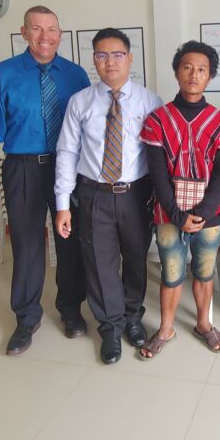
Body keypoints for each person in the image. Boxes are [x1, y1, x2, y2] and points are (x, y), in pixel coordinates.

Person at [0, 5, 90, 356]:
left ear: (60, 34)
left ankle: (71, 309)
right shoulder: (4, 74)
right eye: (36, 29)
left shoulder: (76, 75)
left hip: (68, 167)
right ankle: (26, 317)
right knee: (26, 243)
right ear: (24, 33)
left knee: (70, 240)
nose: (44, 36)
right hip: (22, 168)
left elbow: (90, 126)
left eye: (51, 29)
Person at [54, 27, 162, 364]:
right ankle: (110, 327)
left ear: (130, 58)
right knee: (100, 263)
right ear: (94, 60)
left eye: (117, 55)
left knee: (136, 259)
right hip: (93, 194)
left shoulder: (150, 101)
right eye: (102, 55)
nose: (110, 62)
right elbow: (67, 153)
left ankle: (132, 317)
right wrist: (62, 205)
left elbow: (159, 155)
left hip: (136, 194)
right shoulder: (80, 102)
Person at [138, 41, 220, 358]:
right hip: (168, 212)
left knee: (204, 271)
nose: (194, 75)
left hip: (210, 215)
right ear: (176, 72)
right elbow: (157, 173)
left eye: (201, 70)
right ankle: (166, 328)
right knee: (171, 272)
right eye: (187, 67)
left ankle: (203, 324)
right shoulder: (157, 120)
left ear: (210, 76)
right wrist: (176, 214)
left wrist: (203, 213)